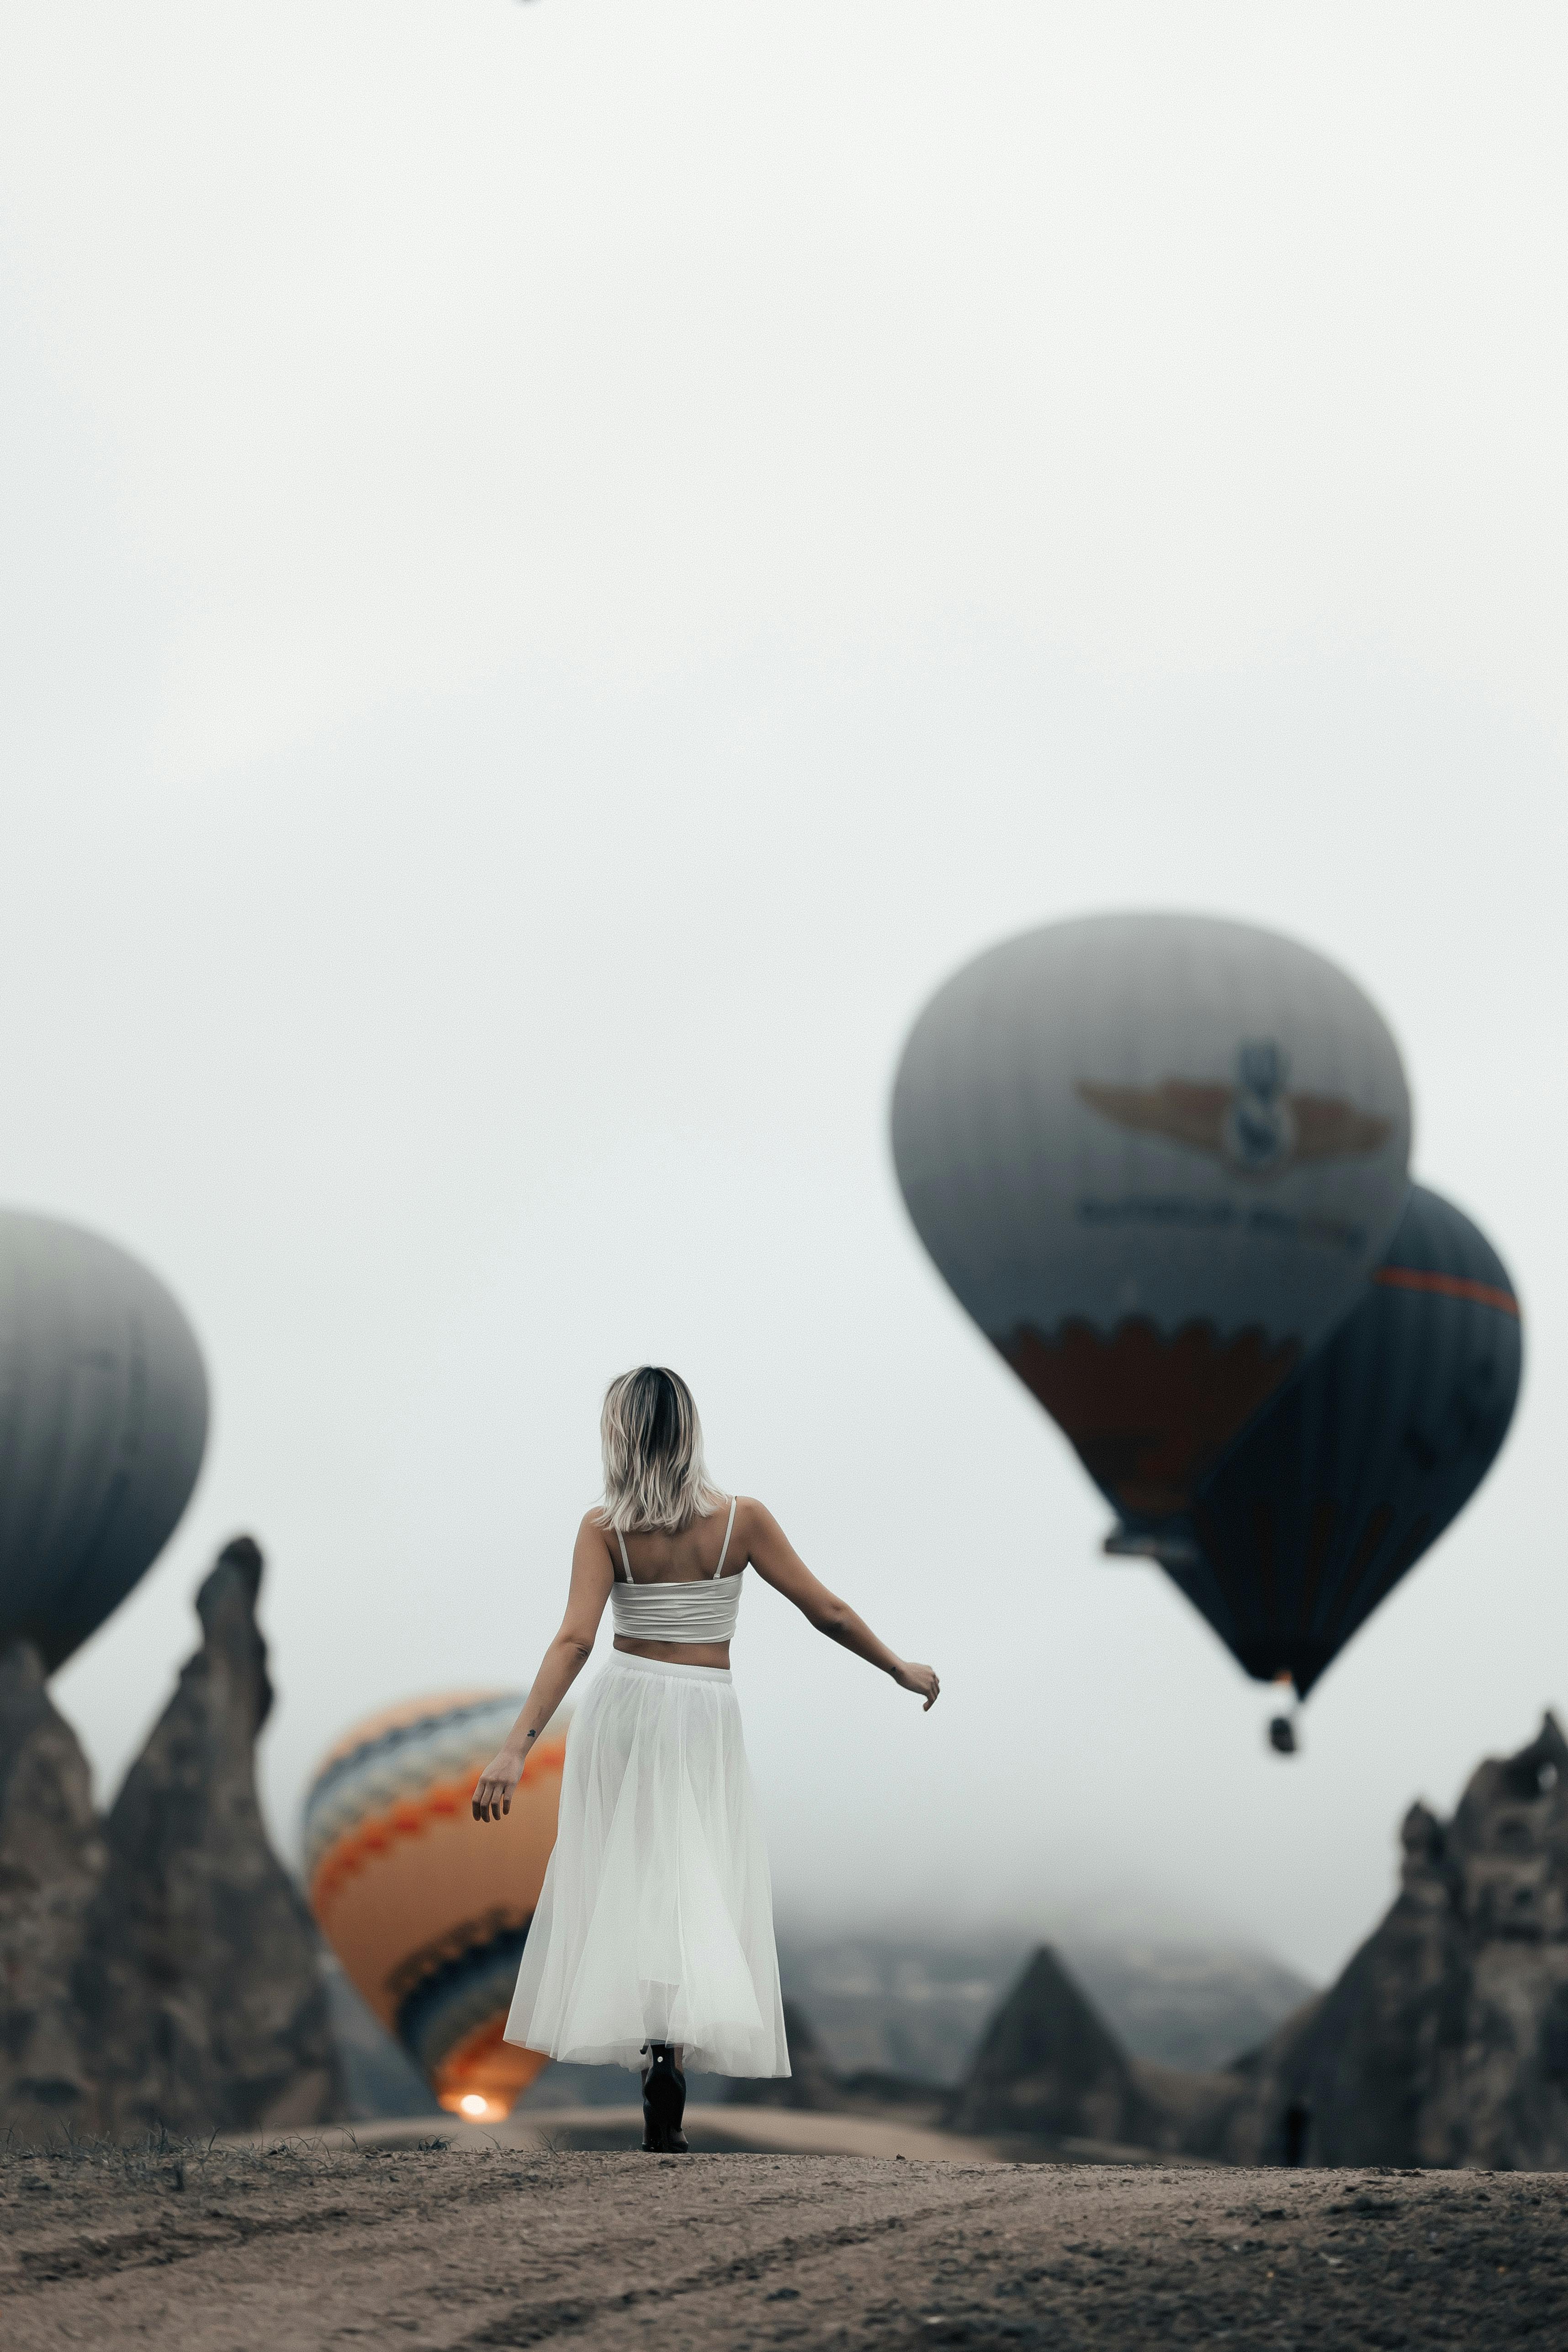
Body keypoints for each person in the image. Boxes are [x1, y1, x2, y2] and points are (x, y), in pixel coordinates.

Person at [472, 1364, 939, 2153]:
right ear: (690, 1431)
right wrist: (898, 1666)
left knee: (632, 1874)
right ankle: (672, 2053)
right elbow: (825, 1610)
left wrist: (514, 1750)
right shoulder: (742, 1520)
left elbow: (576, 1640)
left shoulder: (603, 1526)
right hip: (703, 1711)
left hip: (623, 1706)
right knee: (692, 1879)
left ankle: (654, 2050)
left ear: (619, 1434)